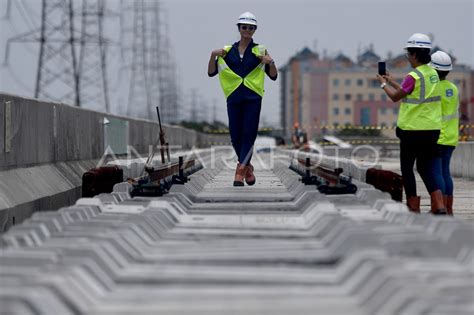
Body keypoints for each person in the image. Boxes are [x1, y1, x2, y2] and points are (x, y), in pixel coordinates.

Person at [376, 33, 446, 215]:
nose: (407, 58)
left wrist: (383, 85)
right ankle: (439, 205)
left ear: (415, 54)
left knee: (407, 169)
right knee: (425, 168)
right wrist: (391, 80)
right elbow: (410, 91)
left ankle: (413, 207)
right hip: (432, 130)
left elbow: (395, 97)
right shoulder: (433, 74)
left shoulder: (413, 75)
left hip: (412, 131)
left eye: (408, 54)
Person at [207, 12, 278, 186]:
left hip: (253, 97)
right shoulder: (227, 51)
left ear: (255, 30)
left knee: (249, 134)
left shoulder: (260, 50)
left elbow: (274, 76)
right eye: (244, 27)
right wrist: (213, 55)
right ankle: (248, 168)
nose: (247, 30)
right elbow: (211, 72)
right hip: (233, 96)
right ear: (239, 28)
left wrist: (271, 61)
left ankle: (240, 171)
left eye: (251, 27)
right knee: (235, 135)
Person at [430, 51, 459, 215]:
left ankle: (438, 207)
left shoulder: (434, 88)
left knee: (436, 173)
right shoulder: (453, 88)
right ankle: (449, 208)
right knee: (445, 172)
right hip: (451, 137)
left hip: (437, 137)